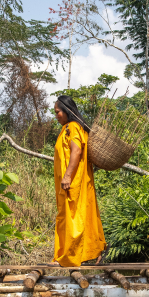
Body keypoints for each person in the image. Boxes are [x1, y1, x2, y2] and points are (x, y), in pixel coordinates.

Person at [52, 95, 105, 267]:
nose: (56, 115)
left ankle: (69, 257)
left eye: (58, 112)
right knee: (78, 216)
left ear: (67, 111)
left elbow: (76, 151)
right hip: (73, 181)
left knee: (73, 218)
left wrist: (67, 175)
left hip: (73, 181)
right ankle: (84, 254)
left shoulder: (73, 127)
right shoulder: (69, 127)